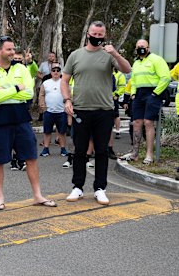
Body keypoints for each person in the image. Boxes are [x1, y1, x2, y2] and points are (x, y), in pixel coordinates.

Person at [62, 21, 131, 205]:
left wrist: (115, 53)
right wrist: (67, 100)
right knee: (80, 151)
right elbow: (65, 80)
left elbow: (127, 69)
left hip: (104, 111)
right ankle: (77, 187)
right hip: (81, 110)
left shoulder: (109, 55)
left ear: (104, 35)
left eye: (101, 35)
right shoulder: (75, 55)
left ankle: (100, 189)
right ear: (88, 34)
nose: (97, 37)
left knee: (101, 151)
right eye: (95, 34)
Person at [0, 36, 56, 211]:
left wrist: (5, 92)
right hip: (0, 121)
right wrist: (16, 88)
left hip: (22, 119)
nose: (12, 52)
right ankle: (0, 198)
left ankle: (37, 195)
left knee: (30, 157)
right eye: (8, 49)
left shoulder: (22, 69)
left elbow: (28, 94)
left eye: (13, 49)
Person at [120, 39, 171, 164]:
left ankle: (149, 155)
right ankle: (135, 153)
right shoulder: (136, 63)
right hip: (138, 95)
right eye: (138, 47)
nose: (140, 48)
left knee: (148, 123)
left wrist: (155, 93)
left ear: (148, 47)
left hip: (152, 94)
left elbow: (166, 77)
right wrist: (132, 93)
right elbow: (133, 80)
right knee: (136, 122)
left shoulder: (156, 59)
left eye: (142, 46)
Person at [39, 62, 69, 157]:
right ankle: (46, 149)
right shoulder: (46, 83)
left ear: (60, 72)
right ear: (50, 72)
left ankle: (63, 149)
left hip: (62, 111)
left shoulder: (64, 82)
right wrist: (43, 106)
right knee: (47, 131)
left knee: (62, 132)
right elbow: (41, 95)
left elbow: (69, 95)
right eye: (53, 70)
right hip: (49, 112)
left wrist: (68, 105)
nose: (56, 72)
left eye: (58, 70)